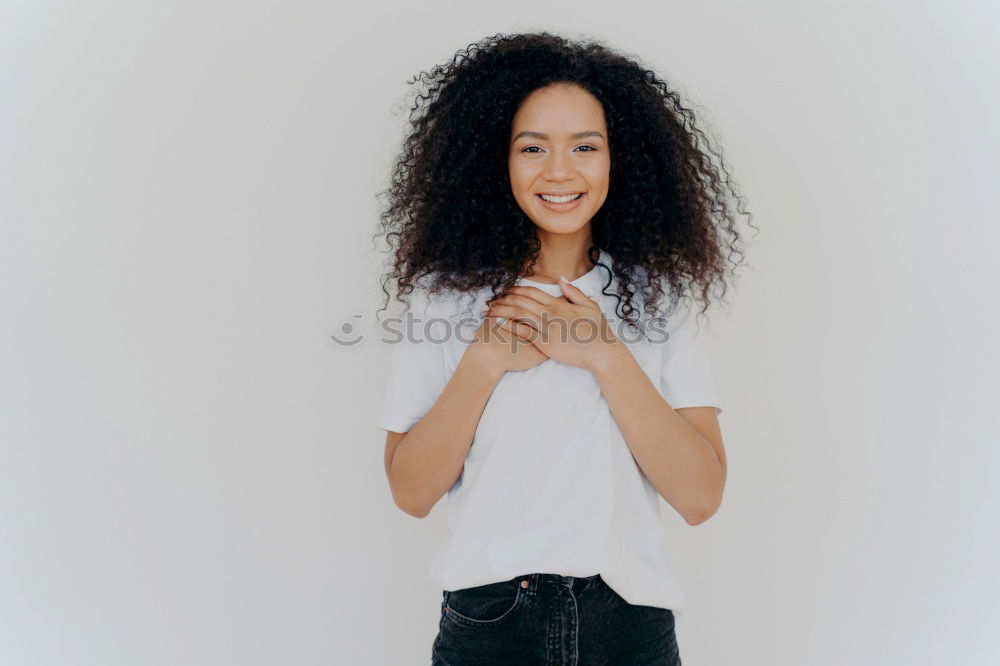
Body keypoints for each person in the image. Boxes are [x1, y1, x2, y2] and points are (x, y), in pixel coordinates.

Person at [373, 31, 753, 666]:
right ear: (496, 160)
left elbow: (700, 496)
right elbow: (411, 493)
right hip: (488, 622)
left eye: (585, 146)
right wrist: (483, 362)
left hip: (630, 622)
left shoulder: (657, 297)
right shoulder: (444, 299)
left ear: (617, 158)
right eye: (532, 148)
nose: (559, 171)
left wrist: (605, 353)